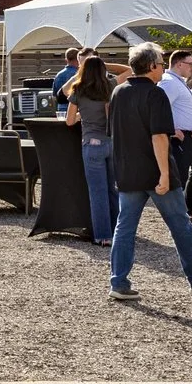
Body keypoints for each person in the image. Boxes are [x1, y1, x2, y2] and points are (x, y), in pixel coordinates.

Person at [107, 42, 192, 300]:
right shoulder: (155, 94)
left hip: (128, 170)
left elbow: (116, 134)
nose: (163, 67)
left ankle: (118, 281)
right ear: (152, 66)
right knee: (180, 225)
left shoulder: (118, 92)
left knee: (125, 227)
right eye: (162, 63)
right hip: (154, 170)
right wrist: (164, 173)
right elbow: (159, 137)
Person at [65, 56, 117, 244]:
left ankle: (103, 236)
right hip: (111, 142)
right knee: (113, 190)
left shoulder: (78, 89)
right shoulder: (110, 85)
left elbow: (69, 121)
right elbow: (128, 71)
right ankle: (118, 230)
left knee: (98, 192)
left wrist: (82, 115)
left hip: (91, 141)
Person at [161, 51, 192, 215]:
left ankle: (181, 213)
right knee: (179, 175)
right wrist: (171, 129)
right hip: (178, 137)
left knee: (181, 175)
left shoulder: (177, 82)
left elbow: (179, 105)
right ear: (179, 64)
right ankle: (178, 215)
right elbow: (159, 107)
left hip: (185, 136)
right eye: (189, 64)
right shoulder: (170, 83)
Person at [51, 48, 82, 115]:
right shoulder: (79, 75)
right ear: (78, 58)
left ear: (66, 59)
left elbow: (54, 95)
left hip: (61, 109)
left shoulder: (58, 75)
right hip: (76, 109)